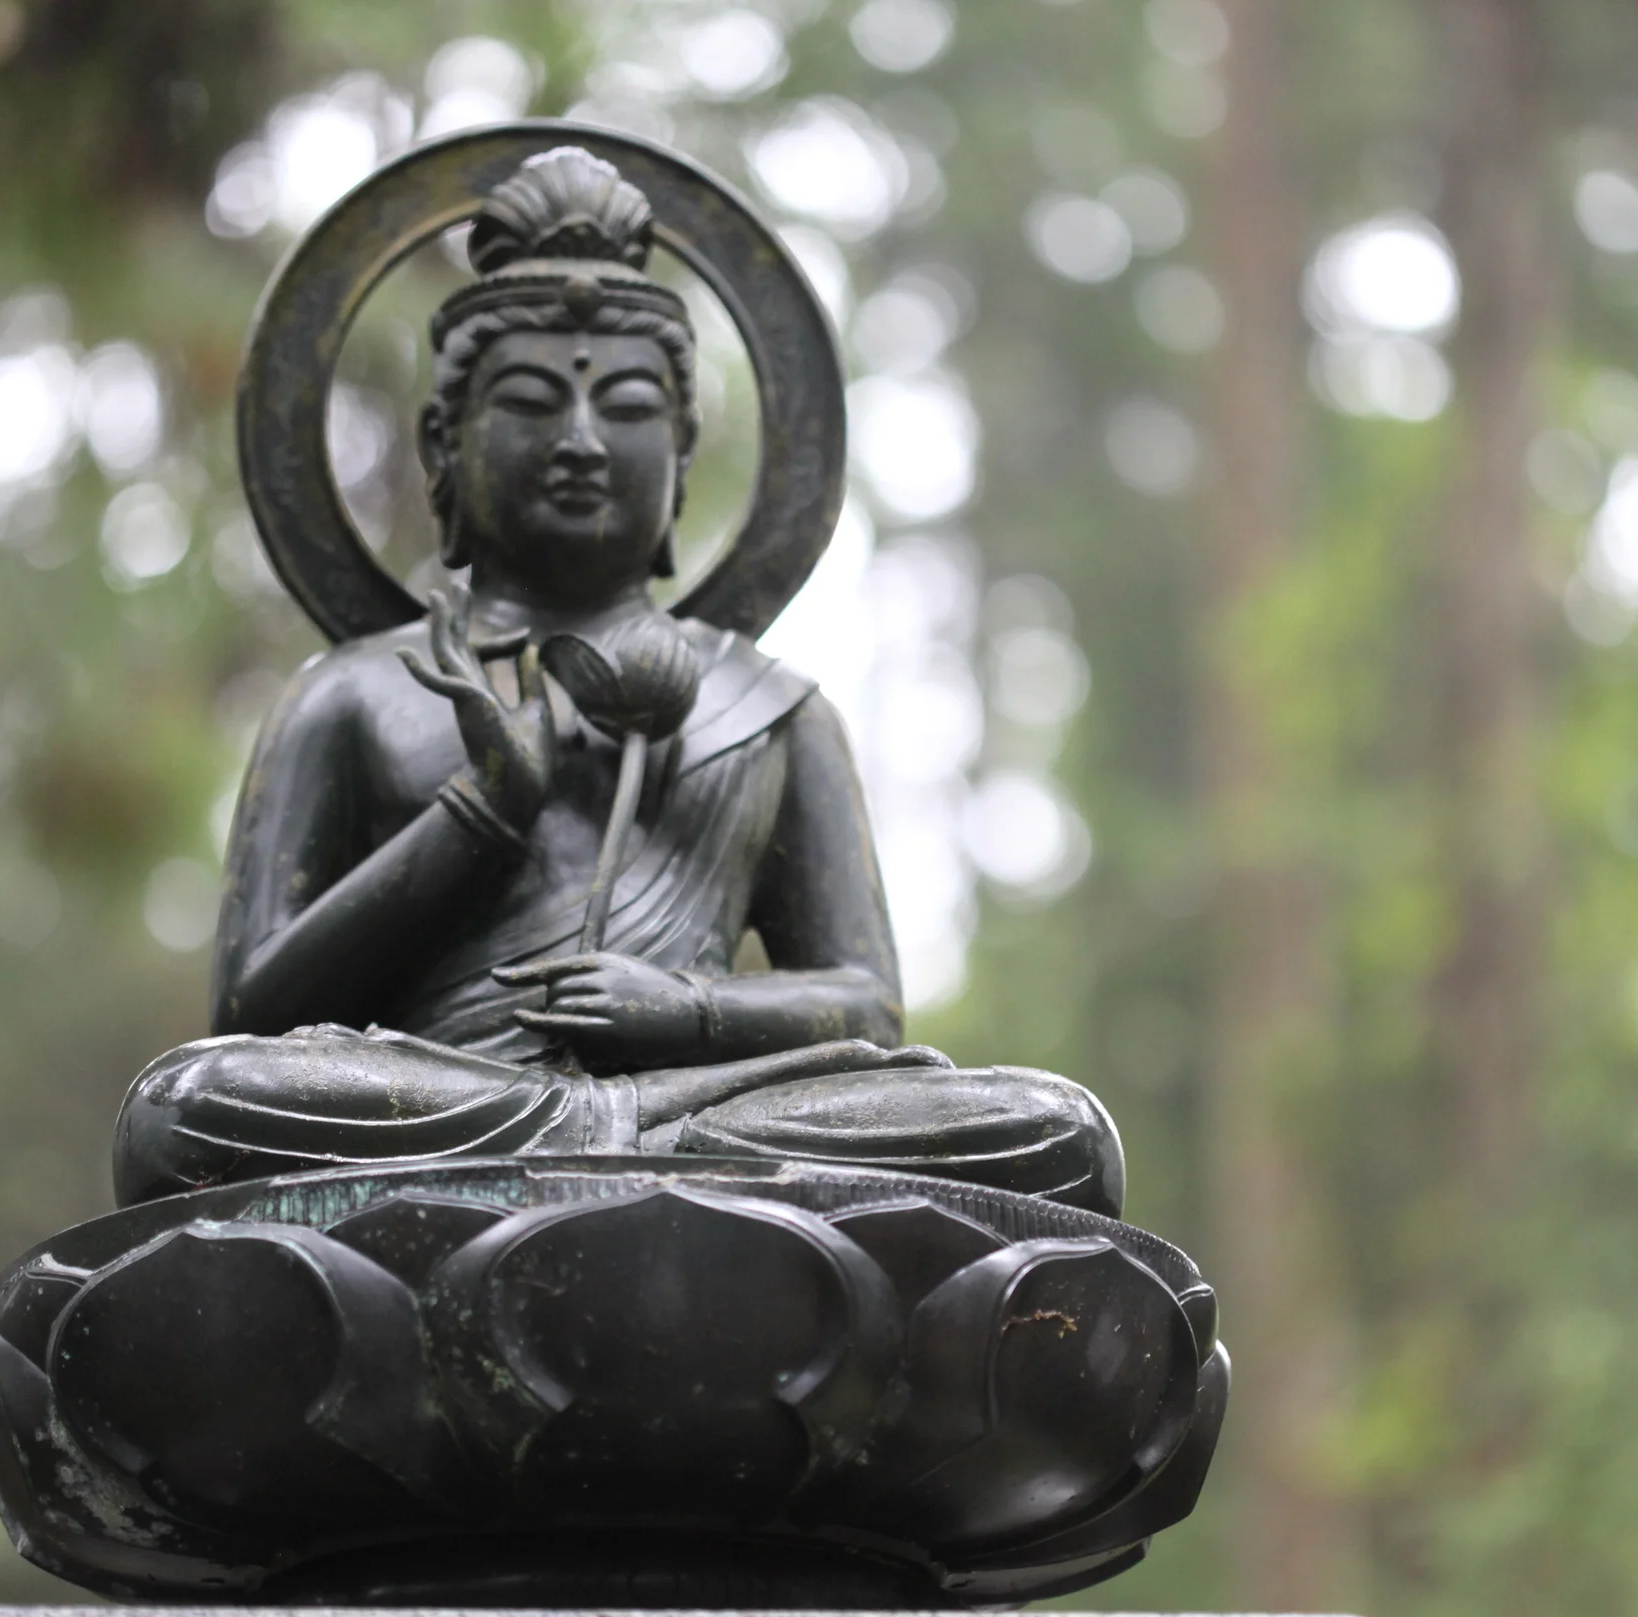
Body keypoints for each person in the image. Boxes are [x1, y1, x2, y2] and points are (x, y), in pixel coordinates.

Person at [113, 147, 1121, 1216]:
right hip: (450, 1111)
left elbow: (865, 1007)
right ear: (443, 447)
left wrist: (685, 1008)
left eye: (631, 407)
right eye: (534, 402)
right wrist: (479, 813)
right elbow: (254, 1010)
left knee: (1053, 1130)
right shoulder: (359, 693)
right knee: (190, 1106)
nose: (584, 443)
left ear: (684, 454)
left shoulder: (771, 708)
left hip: (707, 1107)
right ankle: (631, 1190)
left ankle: (618, 1170)